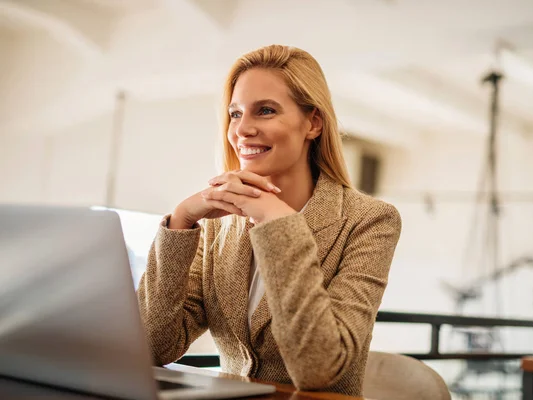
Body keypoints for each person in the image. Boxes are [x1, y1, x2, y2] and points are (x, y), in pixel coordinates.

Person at [137, 44, 402, 396]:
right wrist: (180, 222)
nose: (241, 130)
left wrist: (279, 224)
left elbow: (318, 370)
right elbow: (152, 347)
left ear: (313, 123)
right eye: (235, 114)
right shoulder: (219, 225)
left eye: (265, 110)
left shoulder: (369, 221)